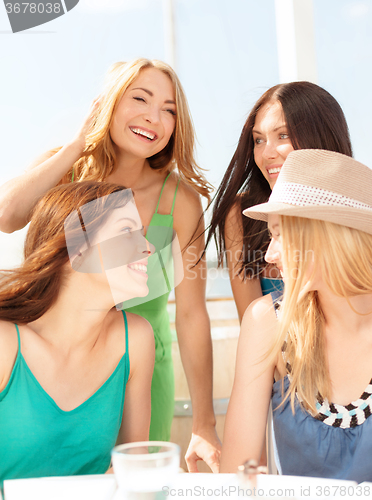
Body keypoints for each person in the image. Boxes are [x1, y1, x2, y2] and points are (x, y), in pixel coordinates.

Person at [0, 58, 220, 471]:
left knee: (134, 482)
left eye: (170, 110)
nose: (154, 117)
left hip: (140, 367)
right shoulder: (63, 171)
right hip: (47, 368)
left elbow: (191, 313)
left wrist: (204, 421)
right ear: (109, 104)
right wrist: (75, 146)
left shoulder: (181, 201)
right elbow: (6, 215)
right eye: (140, 98)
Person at [221, 149, 372, 482]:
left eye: (278, 234)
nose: (270, 255)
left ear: (326, 236)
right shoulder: (268, 322)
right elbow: (239, 473)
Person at [0, 181, 155, 483]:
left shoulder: (135, 339)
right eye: (127, 231)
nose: (147, 247)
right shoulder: (5, 345)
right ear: (76, 246)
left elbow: (134, 466)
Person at [205, 82, 352, 323]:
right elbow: (252, 325)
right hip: (276, 355)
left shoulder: (357, 215)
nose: (266, 154)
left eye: (282, 135)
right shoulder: (242, 214)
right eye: (259, 140)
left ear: (320, 137)